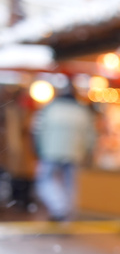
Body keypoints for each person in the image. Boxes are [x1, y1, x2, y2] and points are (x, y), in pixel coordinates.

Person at [32, 77, 96, 221]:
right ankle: (66, 213)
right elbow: (91, 135)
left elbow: (37, 130)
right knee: (70, 184)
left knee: (46, 181)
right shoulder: (82, 111)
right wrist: (88, 152)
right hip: (74, 153)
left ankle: (60, 208)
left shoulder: (50, 108)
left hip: (50, 152)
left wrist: (37, 149)